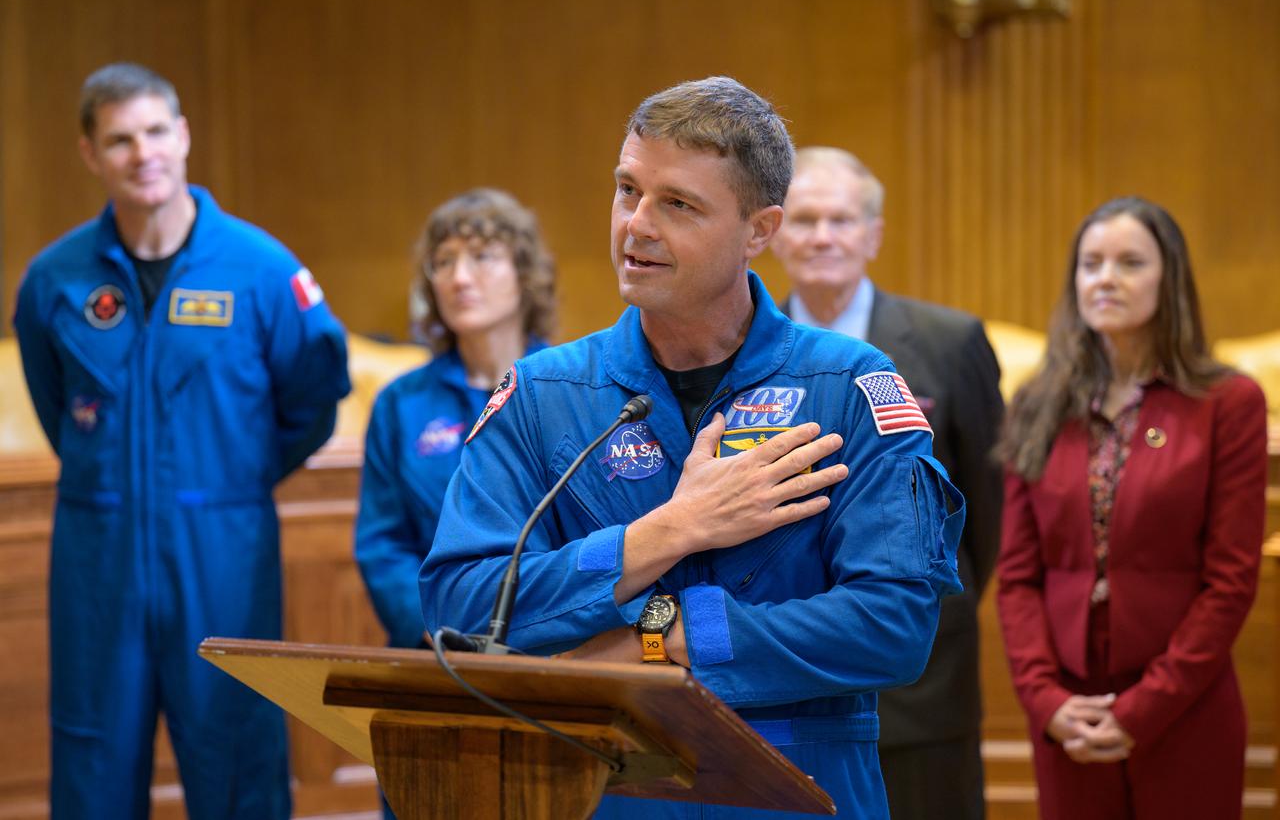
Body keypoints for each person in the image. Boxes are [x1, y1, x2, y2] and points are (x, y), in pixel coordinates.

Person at [418, 76, 966, 819]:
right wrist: (667, 532)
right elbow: (461, 607)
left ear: (760, 230)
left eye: (677, 204)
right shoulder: (545, 392)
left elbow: (892, 625)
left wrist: (666, 641)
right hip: (606, 791)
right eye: (626, 190)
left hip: (797, 790)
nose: (635, 225)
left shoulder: (849, 383)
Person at [13, 62, 350, 820]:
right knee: (93, 761)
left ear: (185, 134)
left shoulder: (263, 270)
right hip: (97, 558)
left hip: (224, 549)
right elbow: (54, 400)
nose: (144, 154)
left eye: (157, 131)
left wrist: (231, 475)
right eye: (121, 139)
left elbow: (315, 400)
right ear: (90, 153)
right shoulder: (54, 281)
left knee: (237, 758)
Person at [994, 197, 1267, 820]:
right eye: (1091, 264)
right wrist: (1045, 700)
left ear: (1169, 279)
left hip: (1184, 707)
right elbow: (1017, 576)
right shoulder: (1037, 402)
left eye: (1130, 263)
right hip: (1068, 711)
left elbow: (1230, 581)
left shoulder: (1227, 402)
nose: (1105, 278)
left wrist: (1144, 708)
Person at [771, 147, 1003, 820]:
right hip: (785, 672)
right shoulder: (741, 348)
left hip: (925, 683)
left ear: (873, 235)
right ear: (775, 232)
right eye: (806, 219)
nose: (822, 236)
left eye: (841, 220)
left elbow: (986, 516)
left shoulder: (950, 341)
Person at [356, 187, 555, 648]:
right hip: (434, 650)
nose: (460, 277)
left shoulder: (567, 386)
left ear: (523, 273)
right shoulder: (401, 403)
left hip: (549, 643)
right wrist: (433, 629)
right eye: (444, 261)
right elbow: (383, 545)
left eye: (482, 257)